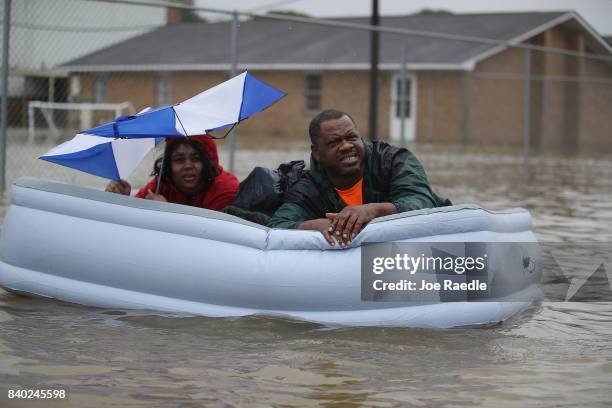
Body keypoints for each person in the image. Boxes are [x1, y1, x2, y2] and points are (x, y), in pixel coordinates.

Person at [267, 109, 451, 246]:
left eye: (352, 137)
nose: (346, 146)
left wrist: (373, 211)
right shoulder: (307, 188)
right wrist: (316, 226)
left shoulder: (392, 161)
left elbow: (422, 201)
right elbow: (277, 225)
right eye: (335, 142)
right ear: (316, 152)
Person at [105, 135, 239, 211]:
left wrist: (167, 211)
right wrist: (121, 200)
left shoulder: (226, 190)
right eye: (179, 160)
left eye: (196, 159)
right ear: (168, 165)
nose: (188, 166)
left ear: (209, 162)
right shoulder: (163, 184)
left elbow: (210, 236)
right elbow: (134, 217)